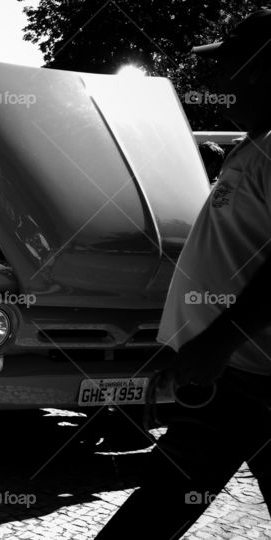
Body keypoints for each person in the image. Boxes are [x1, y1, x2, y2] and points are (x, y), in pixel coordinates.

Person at [96, 10, 271, 539]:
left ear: (262, 67)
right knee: (163, 501)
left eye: (229, 66)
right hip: (234, 375)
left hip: (248, 375)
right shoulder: (255, 144)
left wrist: (215, 344)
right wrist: (183, 345)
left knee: (160, 505)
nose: (217, 80)